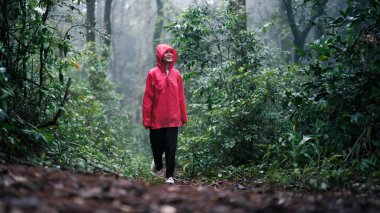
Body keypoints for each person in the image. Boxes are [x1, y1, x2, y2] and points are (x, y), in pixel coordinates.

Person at [142, 44, 187, 184]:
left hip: (173, 118)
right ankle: (157, 164)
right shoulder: (152, 73)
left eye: (171, 52)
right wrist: (147, 119)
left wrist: (183, 116)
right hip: (157, 118)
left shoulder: (177, 74)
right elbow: (148, 97)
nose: (169, 54)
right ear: (160, 55)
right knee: (157, 147)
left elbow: (180, 97)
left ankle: (169, 176)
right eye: (166, 52)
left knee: (171, 147)